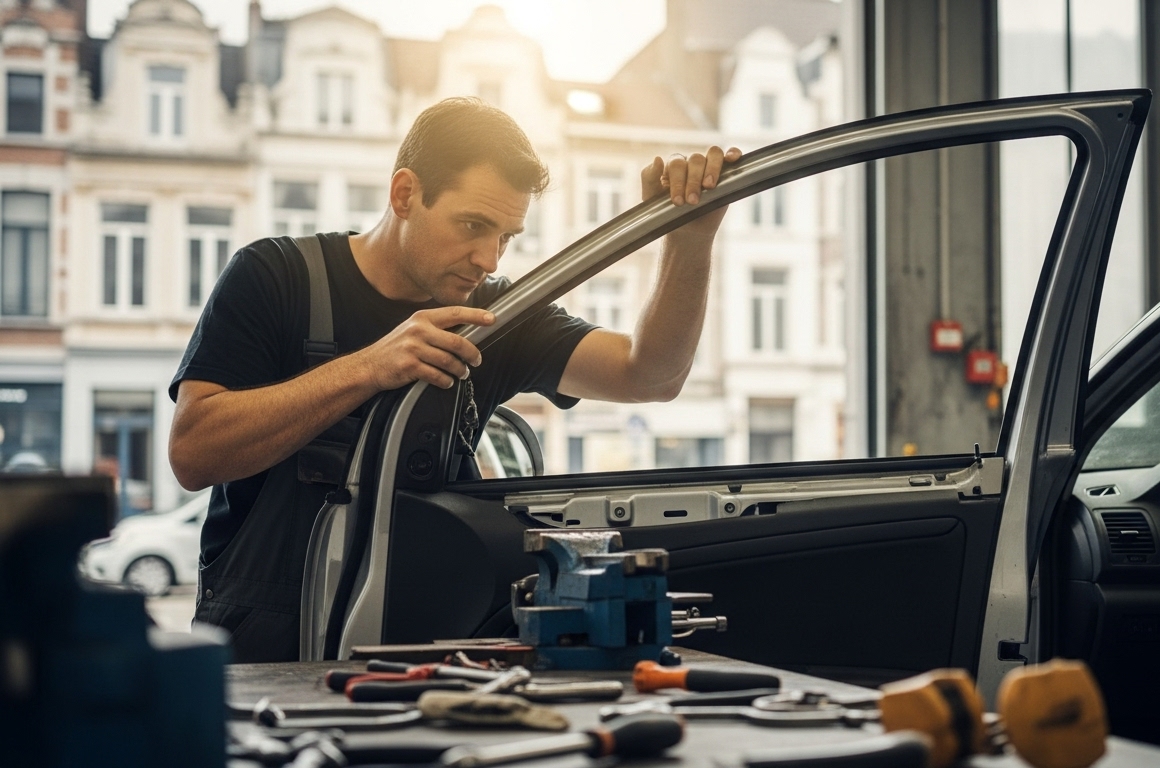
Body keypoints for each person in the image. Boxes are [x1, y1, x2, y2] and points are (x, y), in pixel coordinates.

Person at [168, 97, 739, 662]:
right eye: (473, 225)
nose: (488, 258)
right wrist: (370, 366)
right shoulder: (273, 278)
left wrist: (689, 238)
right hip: (264, 658)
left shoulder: (497, 317)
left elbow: (651, 375)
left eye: (506, 236)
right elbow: (194, 453)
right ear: (405, 194)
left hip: (428, 653)